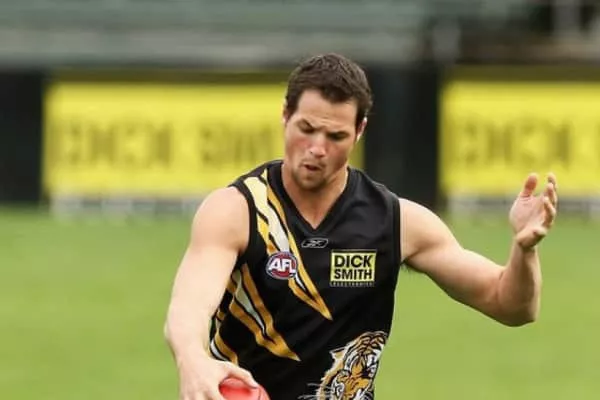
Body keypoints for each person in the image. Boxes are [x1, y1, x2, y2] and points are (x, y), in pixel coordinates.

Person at [164, 53, 558, 400]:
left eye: (335, 136)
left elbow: (511, 305)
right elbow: (188, 308)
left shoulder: (397, 222)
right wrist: (193, 359)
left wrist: (524, 250)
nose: (317, 148)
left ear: (359, 131)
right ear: (285, 115)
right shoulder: (237, 211)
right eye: (306, 128)